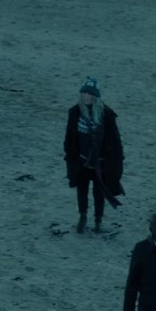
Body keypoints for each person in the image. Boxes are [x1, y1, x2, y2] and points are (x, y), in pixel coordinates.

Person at [63, 77, 123, 233]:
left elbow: (114, 139)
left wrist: (117, 159)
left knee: (99, 192)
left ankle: (98, 221)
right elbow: (69, 136)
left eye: (90, 94)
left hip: (100, 163)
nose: (86, 96)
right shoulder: (75, 112)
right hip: (81, 161)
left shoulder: (106, 114)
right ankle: (82, 217)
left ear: (95, 96)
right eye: (84, 93)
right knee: (82, 189)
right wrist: (70, 155)